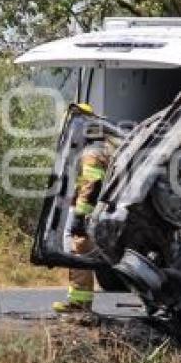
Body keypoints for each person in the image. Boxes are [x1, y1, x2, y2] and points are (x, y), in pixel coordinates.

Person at [52, 108, 118, 314]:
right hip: (100, 211)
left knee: (79, 251)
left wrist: (80, 216)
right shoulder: (104, 148)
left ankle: (79, 304)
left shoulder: (92, 153)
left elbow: (92, 184)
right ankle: (78, 302)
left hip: (90, 213)